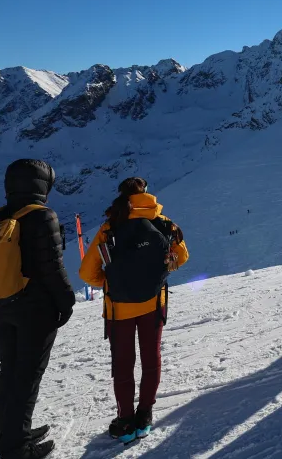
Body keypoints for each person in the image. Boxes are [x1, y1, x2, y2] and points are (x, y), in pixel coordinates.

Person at [79, 177, 188, 444]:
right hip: (153, 304)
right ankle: (145, 416)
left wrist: (111, 281)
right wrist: (159, 273)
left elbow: (86, 272)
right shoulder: (163, 223)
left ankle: (125, 421)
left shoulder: (111, 226)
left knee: (123, 364)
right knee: (151, 360)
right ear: (147, 194)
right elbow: (181, 257)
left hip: (120, 308)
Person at [0, 160, 75, 459]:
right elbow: (52, 268)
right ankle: (17, 450)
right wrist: (67, 302)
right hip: (34, 311)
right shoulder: (41, 216)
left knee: (9, 373)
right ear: (43, 185)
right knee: (26, 377)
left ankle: (14, 435)